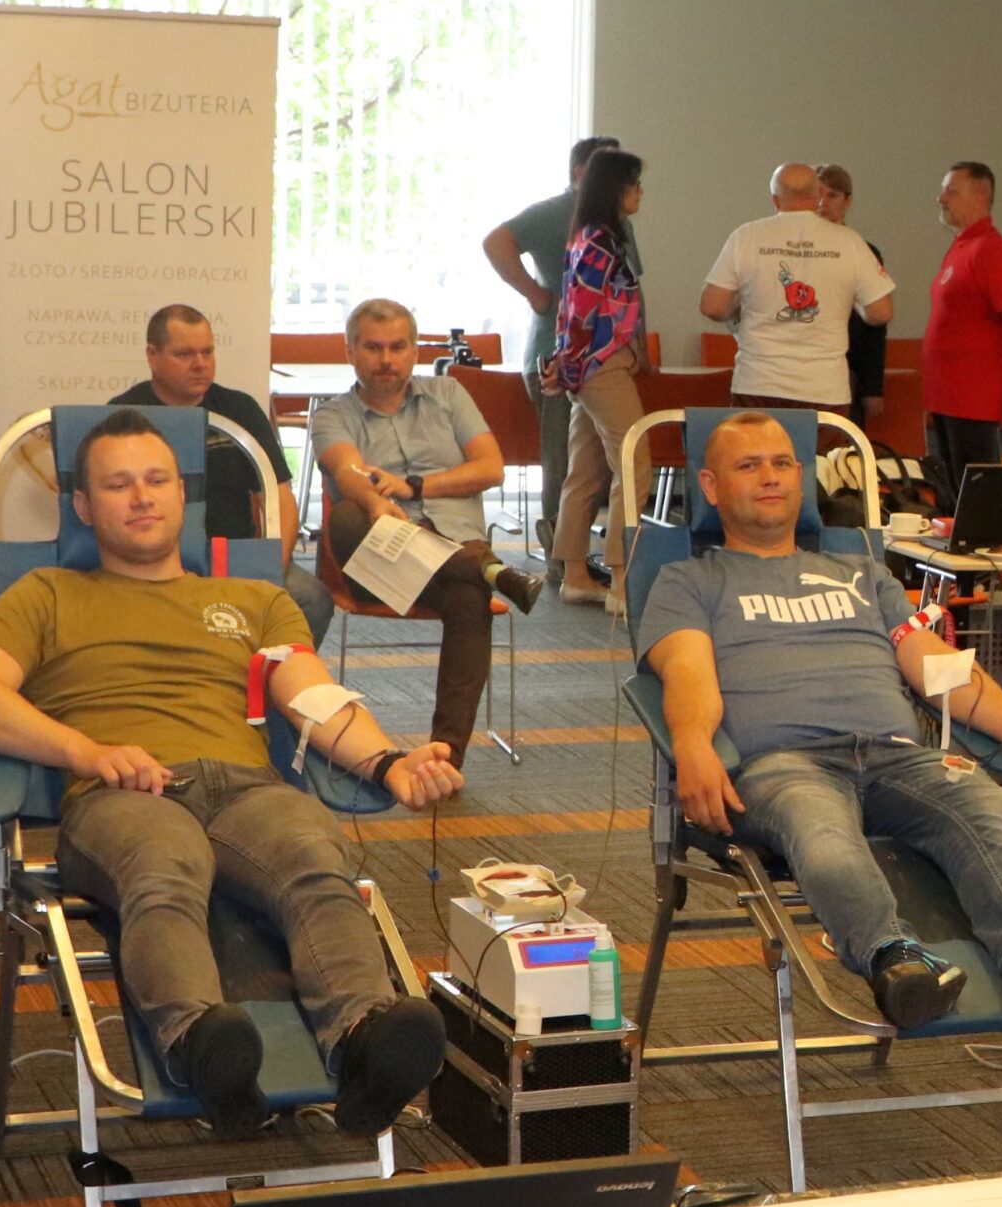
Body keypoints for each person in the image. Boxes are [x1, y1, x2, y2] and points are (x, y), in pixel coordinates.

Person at [0, 410, 465, 1138]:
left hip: (245, 789)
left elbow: (312, 696)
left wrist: (389, 762)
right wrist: (85, 753)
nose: (142, 496)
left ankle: (365, 1039)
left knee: (313, 856)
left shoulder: (255, 600)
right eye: (118, 484)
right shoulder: (46, 594)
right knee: (164, 863)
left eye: (156, 480)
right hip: (122, 792)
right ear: (84, 506)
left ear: (182, 496)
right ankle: (199, 1043)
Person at [641, 412, 1002, 1028]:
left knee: (988, 806)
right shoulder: (690, 581)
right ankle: (896, 960)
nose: (770, 477)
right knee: (822, 833)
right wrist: (693, 747)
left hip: (897, 756)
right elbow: (687, 676)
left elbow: (931, 663)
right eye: (748, 465)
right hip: (783, 765)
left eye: (782, 462)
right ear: (710, 486)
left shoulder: (863, 575)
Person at [313, 299, 541, 760]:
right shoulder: (332, 415)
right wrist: (377, 502)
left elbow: (491, 468)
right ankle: (489, 570)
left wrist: (415, 486)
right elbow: (347, 470)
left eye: (398, 347)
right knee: (348, 517)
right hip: (380, 565)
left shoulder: (449, 395)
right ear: (350, 352)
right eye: (373, 348)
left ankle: (445, 755)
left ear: (415, 351)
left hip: (454, 551)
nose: (386, 359)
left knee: (468, 595)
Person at [109, 303, 333, 642]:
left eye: (208, 352)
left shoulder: (240, 410)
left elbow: (278, 497)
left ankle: (266, 673)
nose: (200, 364)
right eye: (185, 354)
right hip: (148, 557)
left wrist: (274, 565)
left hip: (233, 556)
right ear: (153, 357)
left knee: (312, 600)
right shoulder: (123, 414)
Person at [480, 135, 622, 588]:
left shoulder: (612, 216)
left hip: (600, 355)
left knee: (589, 462)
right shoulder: (558, 211)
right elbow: (496, 241)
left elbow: (626, 287)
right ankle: (564, 559)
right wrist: (534, 293)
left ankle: (572, 554)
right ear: (581, 172)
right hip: (556, 352)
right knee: (563, 460)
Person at [700, 163, 894, 431]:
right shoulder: (850, 241)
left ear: (775, 200)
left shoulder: (747, 236)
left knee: (757, 457)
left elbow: (713, 306)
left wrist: (743, 301)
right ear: (818, 196)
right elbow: (881, 312)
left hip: (759, 383)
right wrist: (849, 301)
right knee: (821, 459)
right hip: (824, 388)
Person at [549, 147, 650, 612]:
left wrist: (569, 366)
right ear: (616, 189)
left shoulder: (592, 237)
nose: (640, 193)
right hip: (600, 366)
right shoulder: (599, 242)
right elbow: (578, 315)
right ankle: (621, 580)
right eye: (635, 184)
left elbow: (573, 311)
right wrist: (569, 366)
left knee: (587, 470)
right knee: (634, 463)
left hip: (592, 366)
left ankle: (574, 575)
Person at [922, 162, 1002, 482]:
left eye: (951, 191)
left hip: (972, 400)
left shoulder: (988, 248)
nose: (941, 199)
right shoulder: (962, 246)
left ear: (979, 196)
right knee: (951, 490)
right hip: (947, 397)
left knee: (975, 490)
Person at [815, 163, 891, 432]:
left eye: (832, 195)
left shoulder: (862, 250)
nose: (823, 203)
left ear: (847, 201)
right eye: (817, 194)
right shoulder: (794, 248)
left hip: (847, 366)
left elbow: (876, 325)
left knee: (840, 444)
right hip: (802, 366)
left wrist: (873, 387)